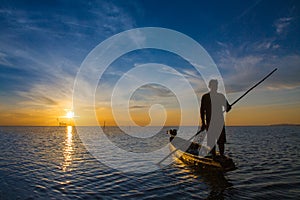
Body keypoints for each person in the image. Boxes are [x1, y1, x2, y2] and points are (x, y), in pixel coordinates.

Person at [200, 79, 231, 158]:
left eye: (216, 85)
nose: (215, 87)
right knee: (211, 142)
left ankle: (221, 156)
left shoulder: (220, 96)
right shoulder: (205, 97)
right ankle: (214, 157)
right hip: (210, 123)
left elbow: (227, 108)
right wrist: (203, 123)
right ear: (210, 86)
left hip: (219, 123)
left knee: (221, 142)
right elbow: (202, 111)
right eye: (213, 85)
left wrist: (228, 107)